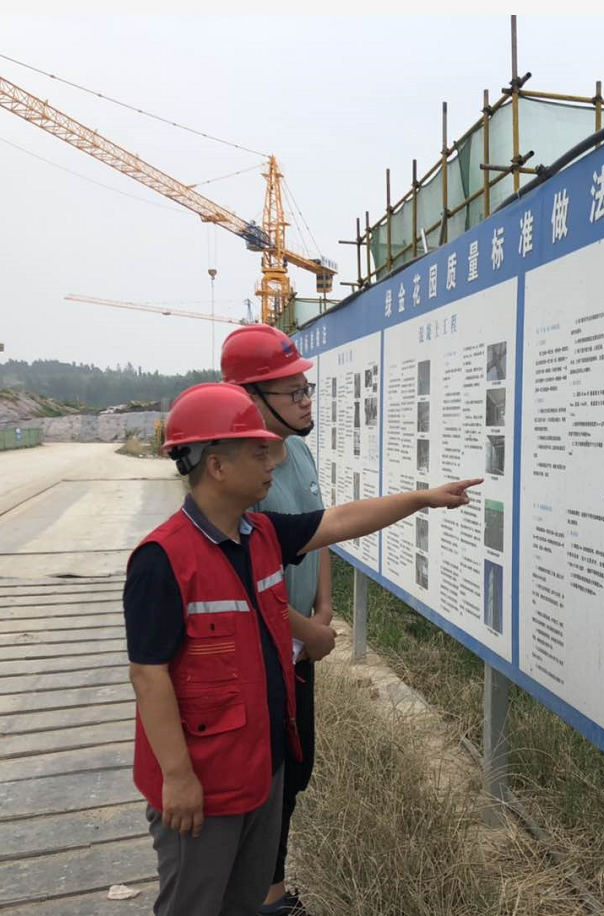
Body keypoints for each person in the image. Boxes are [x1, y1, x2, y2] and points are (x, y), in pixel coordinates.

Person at [123, 382, 480, 916]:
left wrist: (421, 499)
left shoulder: (261, 535)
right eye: (258, 452)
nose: (272, 463)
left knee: (244, 902)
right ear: (215, 466)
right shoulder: (162, 561)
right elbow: (149, 676)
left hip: (260, 770)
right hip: (204, 786)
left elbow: (338, 521)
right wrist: (177, 777)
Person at [221, 324, 333, 916]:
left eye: (306, 389)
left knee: (297, 769)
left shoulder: (301, 452)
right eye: (293, 392)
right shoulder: (244, 471)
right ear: (250, 398)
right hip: (265, 650)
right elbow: (245, 577)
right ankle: (266, 898)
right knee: (269, 777)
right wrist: (307, 630)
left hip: (301, 645)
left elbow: (319, 530)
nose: (306, 402)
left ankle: (271, 890)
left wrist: (324, 608)